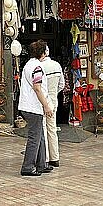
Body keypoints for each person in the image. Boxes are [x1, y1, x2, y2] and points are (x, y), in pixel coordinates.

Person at [18, 40, 54, 176]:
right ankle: (27, 166)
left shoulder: (29, 65)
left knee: (40, 135)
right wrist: (46, 106)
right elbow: (38, 88)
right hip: (34, 107)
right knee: (34, 137)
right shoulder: (37, 67)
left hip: (28, 106)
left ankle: (41, 164)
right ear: (43, 53)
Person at [41, 46, 65, 168]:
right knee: (52, 129)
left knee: (43, 129)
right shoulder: (56, 65)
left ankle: (44, 158)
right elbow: (62, 84)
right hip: (53, 100)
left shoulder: (40, 67)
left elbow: (37, 87)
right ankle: (54, 158)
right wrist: (54, 93)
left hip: (42, 102)